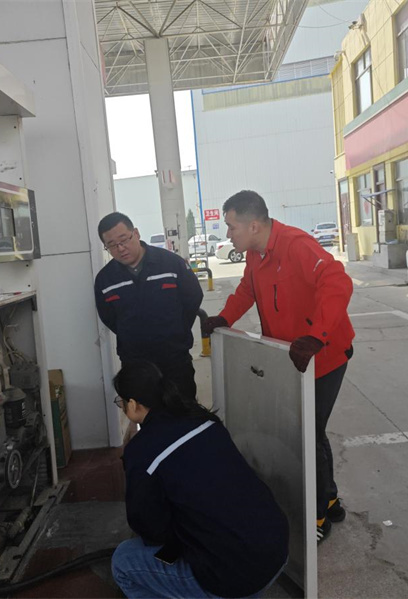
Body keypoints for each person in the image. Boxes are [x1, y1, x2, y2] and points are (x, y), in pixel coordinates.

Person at [202, 190, 355, 544]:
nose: (228, 235)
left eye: (232, 227)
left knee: (306, 434)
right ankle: (329, 499)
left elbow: (337, 282)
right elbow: (248, 290)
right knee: (311, 431)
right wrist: (224, 318)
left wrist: (316, 336)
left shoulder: (297, 246)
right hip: (293, 359)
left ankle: (317, 515)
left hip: (324, 356)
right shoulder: (255, 254)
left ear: (254, 226)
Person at [111, 361, 289, 599]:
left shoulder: (142, 451)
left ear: (132, 404)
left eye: (121, 402)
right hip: (277, 550)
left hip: (234, 579)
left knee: (123, 561)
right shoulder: (202, 419)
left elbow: (150, 529)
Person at [94, 213, 204, 400]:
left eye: (124, 240)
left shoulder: (171, 263)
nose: (120, 248)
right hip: (135, 363)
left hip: (175, 358)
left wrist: (177, 328)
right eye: (112, 245)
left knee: (183, 409)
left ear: (136, 233)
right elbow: (109, 317)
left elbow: (193, 297)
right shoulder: (106, 279)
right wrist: (133, 334)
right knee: (145, 412)